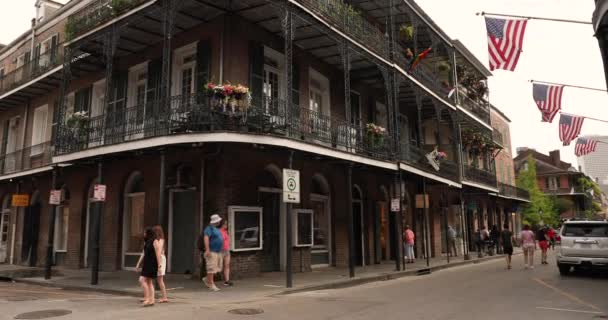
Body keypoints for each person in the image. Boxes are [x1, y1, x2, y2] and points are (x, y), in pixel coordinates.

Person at [202, 214, 224, 292]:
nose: (219, 222)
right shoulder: (209, 228)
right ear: (216, 221)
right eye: (218, 220)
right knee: (211, 268)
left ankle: (207, 279)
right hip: (212, 251)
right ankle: (211, 284)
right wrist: (207, 249)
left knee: (217, 268)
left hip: (218, 251)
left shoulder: (216, 229)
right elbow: (206, 238)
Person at [139, 227, 160, 307]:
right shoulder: (147, 242)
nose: (144, 234)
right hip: (146, 264)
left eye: (145, 233)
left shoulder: (155, 241)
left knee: (141, 280)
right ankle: (152, 300)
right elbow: (144, 253)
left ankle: (147, 298)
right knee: (149, 282)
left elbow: (158, 254)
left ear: (148, 233)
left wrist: (159, 265)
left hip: (152, 264)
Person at [153, 225, 168, 302]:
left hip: (160, 259)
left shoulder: (160, 240)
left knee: (160, 279)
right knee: (159, 279)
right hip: (161, 259)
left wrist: (158, 264)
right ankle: (163, 297)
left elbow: (158, 252)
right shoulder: (161, 240)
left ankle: (164, 297)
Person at [220, 220, 233, 286]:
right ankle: (210, 280)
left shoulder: (225, 232)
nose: (227, 225)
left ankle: (227, 281)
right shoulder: (218, 232)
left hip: (227, 250)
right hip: (220, 250)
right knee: (217, 266)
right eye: (225, 224)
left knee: (227, 265)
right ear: (222, 224)